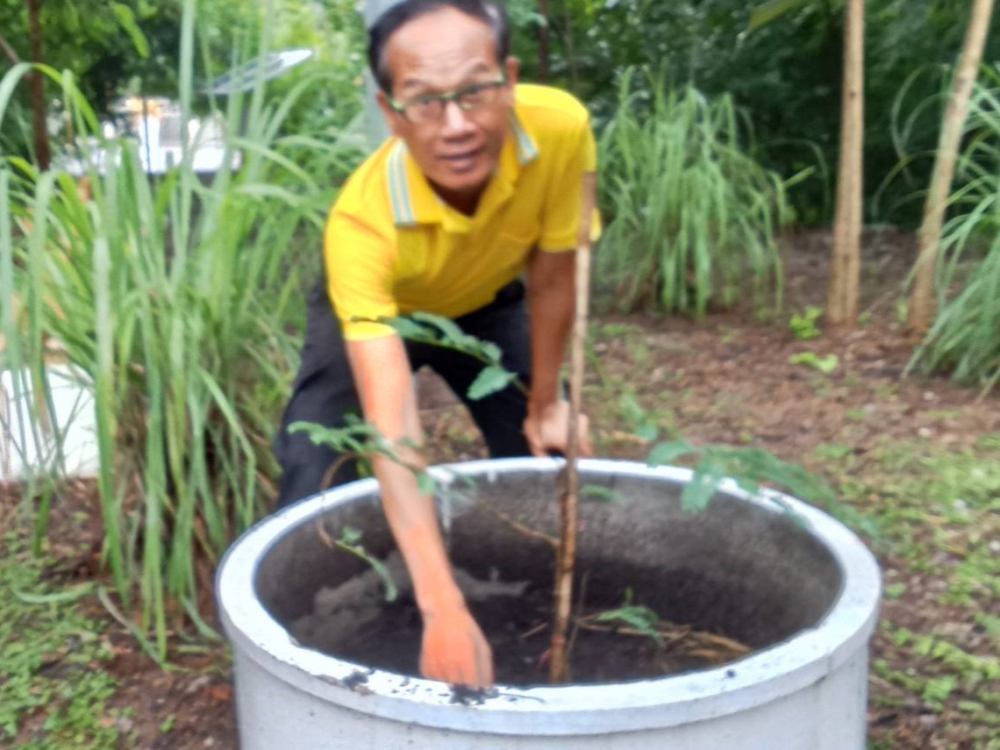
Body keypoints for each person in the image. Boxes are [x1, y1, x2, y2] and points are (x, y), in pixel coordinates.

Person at [273, 0, 599, 688]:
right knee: (314, 461)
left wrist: (546, 402)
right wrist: (440, 605)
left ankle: (537, 603)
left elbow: (553, 275)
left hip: (488, 302)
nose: (456, 126)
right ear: (391, 112)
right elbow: (393, 423)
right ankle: (317, 644)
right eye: (424, 101)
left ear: (510, 80)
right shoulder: (360, 224)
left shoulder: (561, 128)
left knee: (547, 449)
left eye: (475, 91)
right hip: (383, 312)